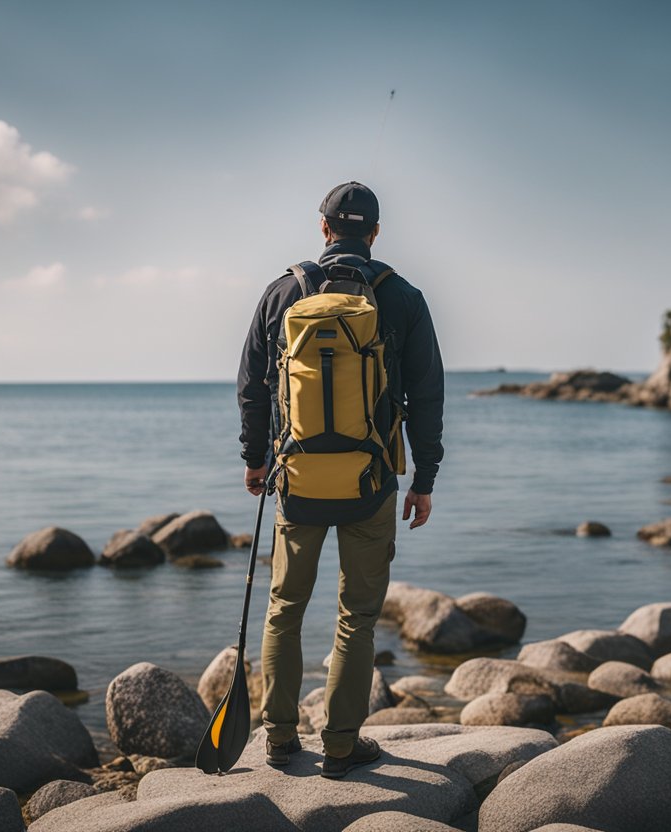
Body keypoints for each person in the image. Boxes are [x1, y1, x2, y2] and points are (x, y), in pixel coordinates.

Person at [237, 181, 445, 778]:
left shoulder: (283, 291)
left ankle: (278, 739)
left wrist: (256, 459)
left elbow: (253, 384)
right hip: (371, 482)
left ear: (323, 228)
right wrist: (423, 478)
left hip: (297, 479)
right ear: (375, 233)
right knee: (356, 617)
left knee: (285, 608)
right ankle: (341, 745)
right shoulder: (402, 296)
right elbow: (427, 395)